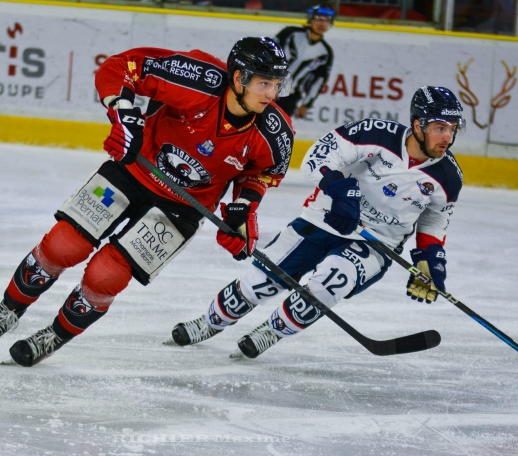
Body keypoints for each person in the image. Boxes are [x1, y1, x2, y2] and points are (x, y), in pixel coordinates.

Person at [0, 37, 295, 367]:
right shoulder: (197, 78)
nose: (272, 94)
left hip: (182, 206)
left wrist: (245, 206)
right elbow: (121, 68)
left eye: (277, 85)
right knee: (64, 245)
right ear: (238, 79)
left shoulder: (276, 132)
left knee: (106, 276)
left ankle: (53, 336)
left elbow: (261, 173)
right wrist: (124, 114)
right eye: (264, 83)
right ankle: (6, 313)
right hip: (134, 169)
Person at [172, 86, 465, 359]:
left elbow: (435, 219)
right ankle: (211, 322)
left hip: (376, 243)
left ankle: (271, 332)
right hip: (323, 220)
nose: (447, 138)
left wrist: (430, 258)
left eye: (452, 130)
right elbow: (317, 156)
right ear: (417, 125)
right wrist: (339, 189)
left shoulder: (449, 177)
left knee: (331, 281)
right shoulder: (374, 133)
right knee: (260, 283)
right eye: (440, 128)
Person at [274, 3, 336, 118]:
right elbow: (268, 54)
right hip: (266, 88)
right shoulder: (290, 33)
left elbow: (318, 81)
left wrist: (306, 104)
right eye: (318, 18)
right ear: (310, 19)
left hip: (289, 98)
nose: (322, 23)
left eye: (327, 20)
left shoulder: (325, 53)